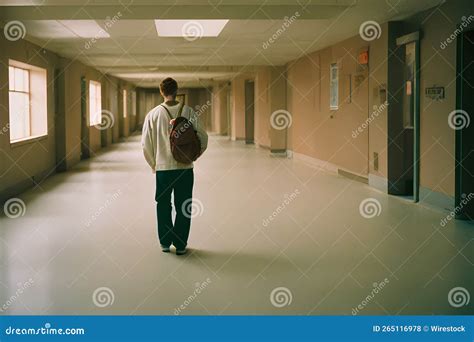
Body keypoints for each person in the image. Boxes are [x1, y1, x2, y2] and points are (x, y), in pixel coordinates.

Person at [141, 78, 208, 255]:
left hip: (163, 170)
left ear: (161, 92)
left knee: (163, 204)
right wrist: (193, 157)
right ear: (177, 90)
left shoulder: (153, 114)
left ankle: (164, 242)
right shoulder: (189, 112)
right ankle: (180, 245)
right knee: (183, 205)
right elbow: (203, 138)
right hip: (185, 169)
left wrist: (154, 165)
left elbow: (145, 144)